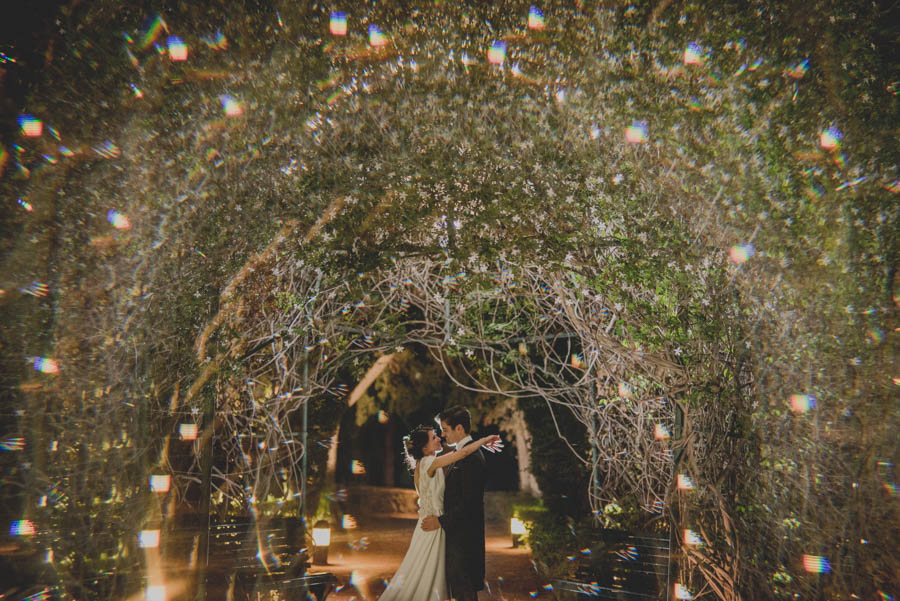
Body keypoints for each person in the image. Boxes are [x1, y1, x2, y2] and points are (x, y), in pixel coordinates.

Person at [378, 421, 500, 601]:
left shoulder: (422, 463)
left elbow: (457, 454)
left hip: (426, 526)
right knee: (426, 574)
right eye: (434, 437)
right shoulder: (430, 462)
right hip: (432, 528)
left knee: (420, 572)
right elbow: (463, 452)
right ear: (425, 446)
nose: (439, 438)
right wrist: (485, 439)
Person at [420, 406, 489, 601]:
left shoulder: (473, 459)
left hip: (464, 542)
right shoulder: (461, 455)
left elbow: (469, 504)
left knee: (464, 591)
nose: (442, 435)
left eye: (445, 430)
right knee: (458, 590)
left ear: (459, 428)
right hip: (456, 539)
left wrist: (441, 521)